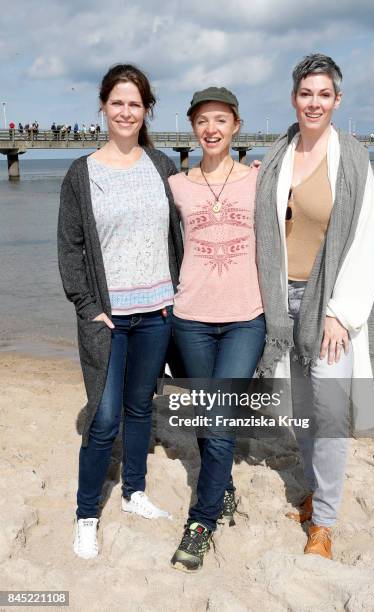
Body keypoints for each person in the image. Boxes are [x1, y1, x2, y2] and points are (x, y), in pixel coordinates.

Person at [255, 54, 374, 559]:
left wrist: (342, 313)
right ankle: (311, 495)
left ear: (337, 100)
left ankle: (325, 523)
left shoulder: (352, 158)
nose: (314, 102)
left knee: (329, 411)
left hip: (328, 303)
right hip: (280, 300)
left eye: (323, 94)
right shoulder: (276, 156)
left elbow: (366, 238)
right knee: (301, 410)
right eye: (306, 93)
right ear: (293, 98)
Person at [58, 63, 183, 560]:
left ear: (145, 109)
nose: (126, 111)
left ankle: (134, 493)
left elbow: (196, 214)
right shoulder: (81, 173)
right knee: (104, 417)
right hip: (107, 318)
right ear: (104, 108)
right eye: (118, 103)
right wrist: (87, 306)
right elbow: (70, 247)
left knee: (139, 408)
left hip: (156, 312)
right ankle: (86, 514)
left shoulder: (162, 167)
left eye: (135, 103)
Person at [168, 87, 266, 572]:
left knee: (219, 416)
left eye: (221, 120)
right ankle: (222, 486)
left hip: (246, 317)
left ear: (236, 126)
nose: (211, 129)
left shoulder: (259, 180)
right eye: (203, 121)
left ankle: (200, 522)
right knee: (208, 418)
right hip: (190, 318)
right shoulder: (176, 185)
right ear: (193, 128)